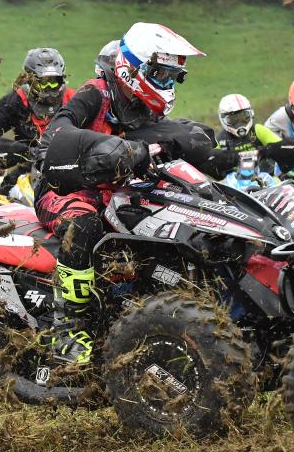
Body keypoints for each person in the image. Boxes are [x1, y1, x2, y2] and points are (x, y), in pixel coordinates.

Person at [37, 22, 241, 364]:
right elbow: (56, 133)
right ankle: (67, 328)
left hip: (119, 190)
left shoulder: (146, 107)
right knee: (84, 227)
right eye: (161, 73)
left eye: (173, 77)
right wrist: (110, 146)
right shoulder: (95, 94)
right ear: (133, 67)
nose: (167, 83)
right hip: (68, 186)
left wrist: (202, 150)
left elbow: (180, 133)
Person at [0, 48, 76, 168]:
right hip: (30, 167)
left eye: (54, 82)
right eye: (43, 82)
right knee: (7, 185)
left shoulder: (75, 100)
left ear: (62, 78)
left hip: (71, 166)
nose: (49, 88)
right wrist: (9, 154)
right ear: (30, 79)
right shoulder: (16, 100)